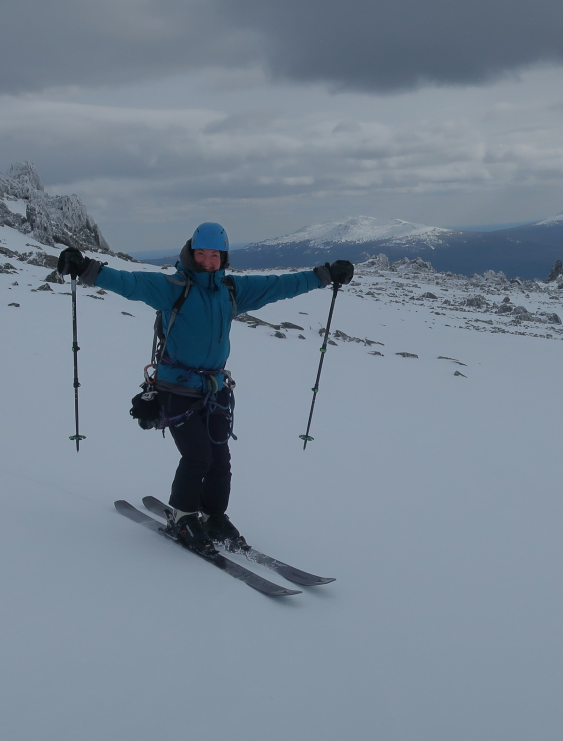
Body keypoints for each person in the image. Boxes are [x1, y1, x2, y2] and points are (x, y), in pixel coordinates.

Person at [58, 222, 354, 555]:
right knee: (197, 456)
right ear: (191, 253)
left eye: (215, 255)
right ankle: (183, 516)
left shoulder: (231, 290)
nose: (208, 260)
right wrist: (84, 268)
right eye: (202, 254)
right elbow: (130, 282)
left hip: (215, 389)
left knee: (219, 459)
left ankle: (214, 515)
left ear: (223, 257)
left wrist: (325, 275)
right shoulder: (173, 287)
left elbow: (280, 285)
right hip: (177, 388)